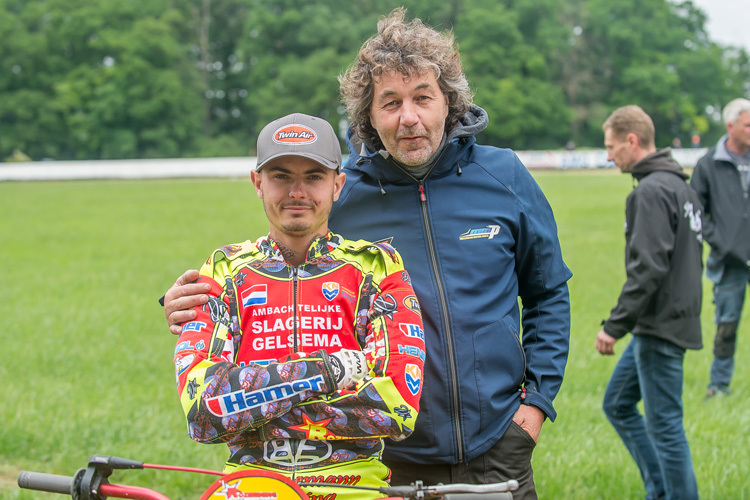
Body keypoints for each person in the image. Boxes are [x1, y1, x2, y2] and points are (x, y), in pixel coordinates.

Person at [165, 9, 571, 498]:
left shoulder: (504, 177)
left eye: (423, 97)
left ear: (450, 102)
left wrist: (535, 406)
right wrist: (185, 304)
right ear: (370, 117)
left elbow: (548, 293)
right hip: (381, 458)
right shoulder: (342, 195)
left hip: (497, 447)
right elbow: (276, 275)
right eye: (391, 102)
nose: (410, 118)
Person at [172, 112, 425, 499]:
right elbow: (203, 414)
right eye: (281, 176)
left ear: (337, 185)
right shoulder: (225, 270)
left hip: (355, 487)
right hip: (251, 487)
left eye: (313, 177)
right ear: (257, 183)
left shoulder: (376, 266)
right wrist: (329, 370)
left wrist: (251, 405)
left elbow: (395, 407)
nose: (297, 192)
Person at [596, 105, 703, 500]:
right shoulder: (681, 187)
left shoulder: (653, 192)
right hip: (669, 320)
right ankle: (659, 489)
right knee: (618, 403)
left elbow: (649, 269)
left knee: (666, 428)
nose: (609, 156)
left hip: (660, 325)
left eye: (611, 147)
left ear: (632, 140)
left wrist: (613, 326)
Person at [690, 97, 750, 398]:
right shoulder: (708, 164)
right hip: (729, 262)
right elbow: (696, 212)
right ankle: (719, 385)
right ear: (731, 126)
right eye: (748, 124)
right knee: (727, 325)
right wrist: (723, 243)